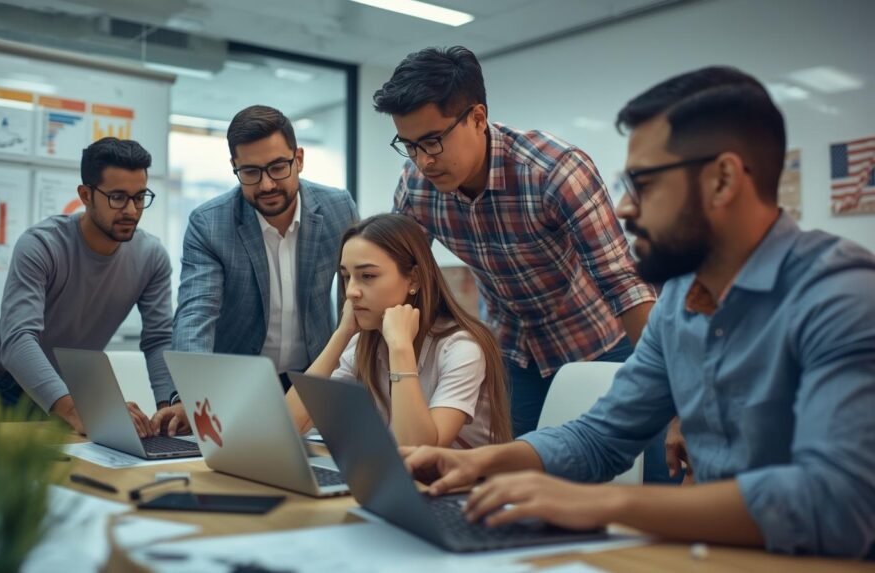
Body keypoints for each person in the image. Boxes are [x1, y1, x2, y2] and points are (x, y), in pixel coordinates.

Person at [400, 67, 875, 558]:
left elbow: (837, 503)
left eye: (643, 183)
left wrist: (604, 502)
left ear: (723, 180)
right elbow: (600, 436)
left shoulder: (839, 295)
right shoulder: (679, 304)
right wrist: (482, 464)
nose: (625, 208)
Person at [373, 46, 657, 438]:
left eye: (433, 141)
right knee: (520, 476)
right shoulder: (417, 186)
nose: (423, 161)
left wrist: (670, 387)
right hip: (513, 352)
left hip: (599, 343)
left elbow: (623, 283)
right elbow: (396, 273)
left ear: (477, 118)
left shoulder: (554, 171)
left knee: (641, 470)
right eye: (409, 145)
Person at [0, 137, 175, 437]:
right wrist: (78, 410)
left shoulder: (152, 257)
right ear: (85, 195)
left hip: (67, 392)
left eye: (139, 197)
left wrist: (167, 409)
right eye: (118, 197)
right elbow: (18, 340)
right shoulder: (41, 245)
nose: (132, 210)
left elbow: (159, 339)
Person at [161, 105, 358, 435]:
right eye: (250, 172)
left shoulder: (339, 208)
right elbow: (196, 314)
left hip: (314, 378)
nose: (266, 184)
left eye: (278, 167)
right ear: (234, 168)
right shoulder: (210, 223)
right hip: (238, 387)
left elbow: (357, 295)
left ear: (299, 159)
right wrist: (191, 395)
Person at [286, 213, 512, 448]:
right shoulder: (361, 344)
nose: (352, 291)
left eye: (368, 276)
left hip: (464, 483)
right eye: (346, 277)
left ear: (413, 279)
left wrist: (400, 347)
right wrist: (341, 336)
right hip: (399, 479)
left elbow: (420, 451)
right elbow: (293, 425)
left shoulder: (462, 348)